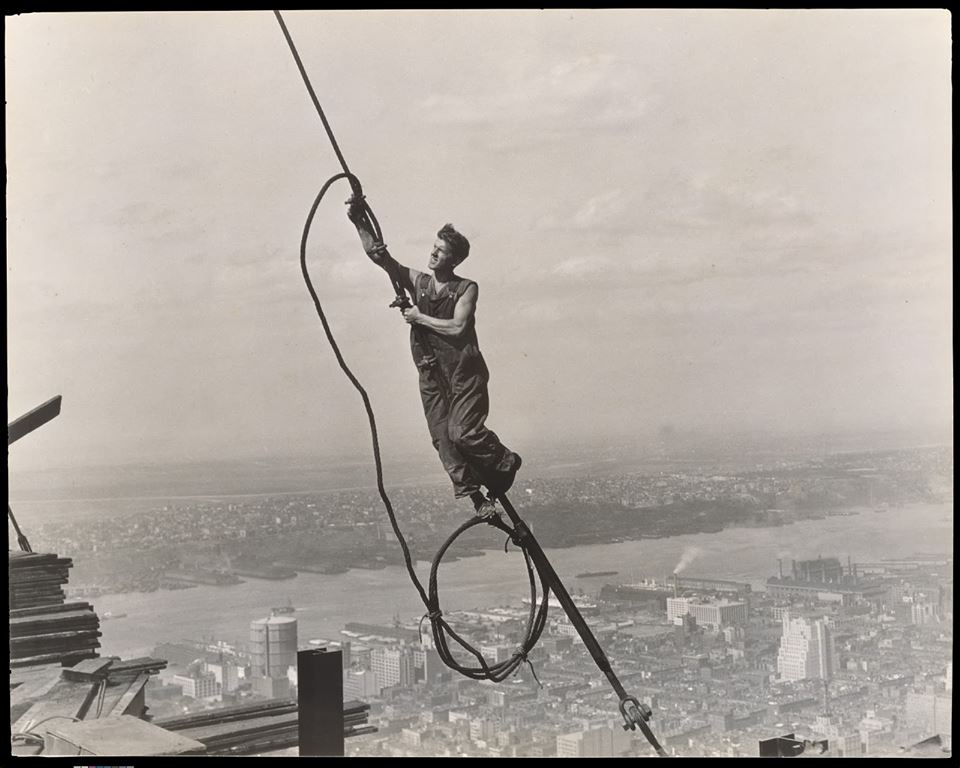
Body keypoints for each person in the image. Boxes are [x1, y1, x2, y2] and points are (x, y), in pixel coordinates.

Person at [347, 198, 521, 516]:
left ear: (453, 259)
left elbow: (457, 327)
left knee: (463, 433)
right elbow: (382, 259)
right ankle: (477, 501)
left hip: (463, 374)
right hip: (430, 372)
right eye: (434, 246)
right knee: (443, 439)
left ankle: (505, 461)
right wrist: (358, 220)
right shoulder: (421, 283)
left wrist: (418, 318)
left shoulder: (466, 288)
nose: (433, 252)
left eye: (440, 250)